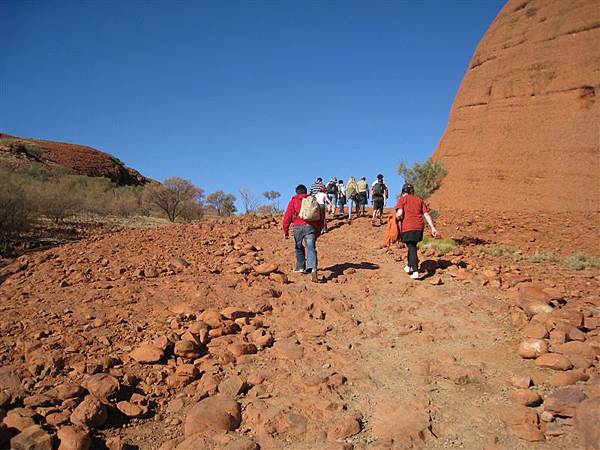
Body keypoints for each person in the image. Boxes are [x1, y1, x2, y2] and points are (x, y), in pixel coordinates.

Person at [395, 183, 438, 280]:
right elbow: (426, 214)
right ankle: (409, 266)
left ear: (403, 191)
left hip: (408, 227)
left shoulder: (403, 199)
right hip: (419, 227)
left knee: (412, 247)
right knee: (411, 246)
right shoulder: (419, 200)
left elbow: (399, 213)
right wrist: (433, 227)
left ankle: (415, 271)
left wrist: (396, 217)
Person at [283, 184, 324, 282]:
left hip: (298, 227)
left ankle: (300, 267)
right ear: (305, 192)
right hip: (311, 227)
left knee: (298, 247)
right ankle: (313, 268)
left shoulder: (294, 201)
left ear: (296, 192)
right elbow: (320, 216)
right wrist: (318, 229)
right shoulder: (312, 200)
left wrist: (286, 230)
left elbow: (288, 215)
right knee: (311, 248)